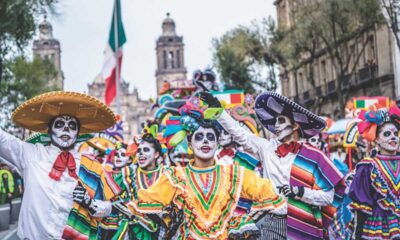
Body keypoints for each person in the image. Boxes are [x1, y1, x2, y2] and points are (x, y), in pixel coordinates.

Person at [120, 102, 284, 239]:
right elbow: (148, 199)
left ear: (217, 144)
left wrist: (241, 220)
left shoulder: (234, 174)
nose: (205, 141)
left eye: (210, 137)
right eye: (199, 137)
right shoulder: (176, 177)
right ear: (190, 144)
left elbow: (269, 194)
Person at [200, 91, 345, 240]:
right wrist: (219, 112)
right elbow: (240, 134)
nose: (276, 126)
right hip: (271, 220)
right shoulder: (267, 148)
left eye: (281, 121)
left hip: (303, 224)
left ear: (295, 125)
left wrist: (300, 192)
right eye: (275, 122)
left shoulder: (315, 156)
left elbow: (328, 197)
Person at [0, 91, 120, 239]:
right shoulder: (31, 154)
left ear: (78, 133)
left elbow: (108, 208)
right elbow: (3, 140)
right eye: (60, 124)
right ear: (49, 130)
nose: (66, 129)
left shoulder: (91, 166)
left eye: (71, 126)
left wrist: (90, 203)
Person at [349, 105, 400, 239]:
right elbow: (361, 207)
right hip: (377, 229)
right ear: (376, 139)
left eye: (396, 134)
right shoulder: (367, 167)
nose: (393, 137)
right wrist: (357, 235)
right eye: (387, 134)